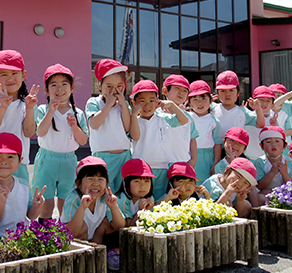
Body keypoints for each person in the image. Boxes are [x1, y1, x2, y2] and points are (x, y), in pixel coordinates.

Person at [34, 64, 88, 220]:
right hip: (47, 160)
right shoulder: (43, 110)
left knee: (66, 205)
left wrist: (75, 127)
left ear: (72, 88)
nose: (59, 89)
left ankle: (63, 237)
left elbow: (83, 140)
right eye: (54, 85)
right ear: (46, 90)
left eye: (64, 84)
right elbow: (40, 132)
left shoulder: (77, 113)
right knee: (46, 205)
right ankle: (45, 237)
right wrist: (51, 111)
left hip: (69, 161)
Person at [0, 50, 38, 184]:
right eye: (4, 74)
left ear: (23, 75)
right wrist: (3, 107)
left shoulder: (28, 103)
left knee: (18, 200)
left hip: (17, 161)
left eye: (14, 73)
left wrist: (29, 108)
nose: (10, 78)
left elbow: (28, 132)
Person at [128, 80, 190, 200]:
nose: (147, 105)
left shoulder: (163, 118)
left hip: (162, 166)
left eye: (152, 101)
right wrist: (134, 115)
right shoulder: (134, 120)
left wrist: (172, 104)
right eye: (142, 101)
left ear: (157, 102)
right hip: (142, 170)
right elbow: (135, 136)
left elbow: (184, 120)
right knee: (144, 199)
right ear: (134, 102)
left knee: (161, 198)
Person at [0, 133, 46, 238]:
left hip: (23, 237)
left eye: (10, 156)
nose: (3, 162)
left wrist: (36, 206)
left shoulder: (23, 184)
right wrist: (1, 202)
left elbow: (31, 216)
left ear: (20, 161)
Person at [86, 59, 132, 192]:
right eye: (109, 86)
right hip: (102, 156)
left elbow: (127, 127)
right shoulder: (94, 102)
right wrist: (108, 105)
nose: (115, 90)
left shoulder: (124, 105)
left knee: (123, 191)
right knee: (103, 191)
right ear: (99, 85)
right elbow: (94, 124)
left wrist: (123, 105)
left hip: (124, 155)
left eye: (119, 86)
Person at [60, 156, 125, 244]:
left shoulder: (105, 198)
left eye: (100, 179)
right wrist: (82, 208)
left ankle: (97, 252)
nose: (96, 184)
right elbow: (72, 233)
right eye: (90, 179)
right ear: (78, 184)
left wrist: (114, 207)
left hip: (94, 239)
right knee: (83, 228)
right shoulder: (75, 199)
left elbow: (120, 226)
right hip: (74, 243)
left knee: (108, 223)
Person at [210, 70, 265, 143]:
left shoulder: (243, 112)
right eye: (223, 91)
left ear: (238, 93)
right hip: (215, 150)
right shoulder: (211, 108)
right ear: (217, 93)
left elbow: (260, 125)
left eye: (231, 90)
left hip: (236, 149)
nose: (227, 94)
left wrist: (258, 109)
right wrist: (206, 102)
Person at [186, 80, 221, 184]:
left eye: (203, 99)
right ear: (189, 102)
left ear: (210, 100)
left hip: (207, 157)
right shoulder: (186, 118)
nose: (199, 103)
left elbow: (218, 143)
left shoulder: (214, 121)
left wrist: (215, 163)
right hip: (188, 155)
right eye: (195, 99)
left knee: (205, 184)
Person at [161, 74, 199, 168]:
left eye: (185, 91)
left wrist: (194, 159)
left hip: (182, 162)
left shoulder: (188, 117)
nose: (181, 93)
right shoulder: (156, 114)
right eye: (177, 88)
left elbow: (193, 138)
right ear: (165, 91)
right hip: (160, 164)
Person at [254, 126, 292, 205]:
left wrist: (284, 173)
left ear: (285, 146)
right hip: (266, 195)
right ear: (262, 146)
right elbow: (259, 186)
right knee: (259, 197)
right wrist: (272, 173)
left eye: (277, 141)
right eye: (268, 142)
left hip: (286, 195)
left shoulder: (290, 163)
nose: (273, 144)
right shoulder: (259, 162)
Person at [244, 85, 286, 160]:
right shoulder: (249, 116)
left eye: (268, 101)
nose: (264, 103)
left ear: (272, 105)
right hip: (249, 157)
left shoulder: (273, 120)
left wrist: (273, 127)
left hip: (267, 159)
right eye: (261, 100)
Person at [115, 158, 155, 227]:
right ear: (126, 182)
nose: (142, 186)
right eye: (137, 181)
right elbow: (129, 226)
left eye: (147, 181)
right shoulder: (123, 200)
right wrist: (141, 211)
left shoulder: (149, 198)